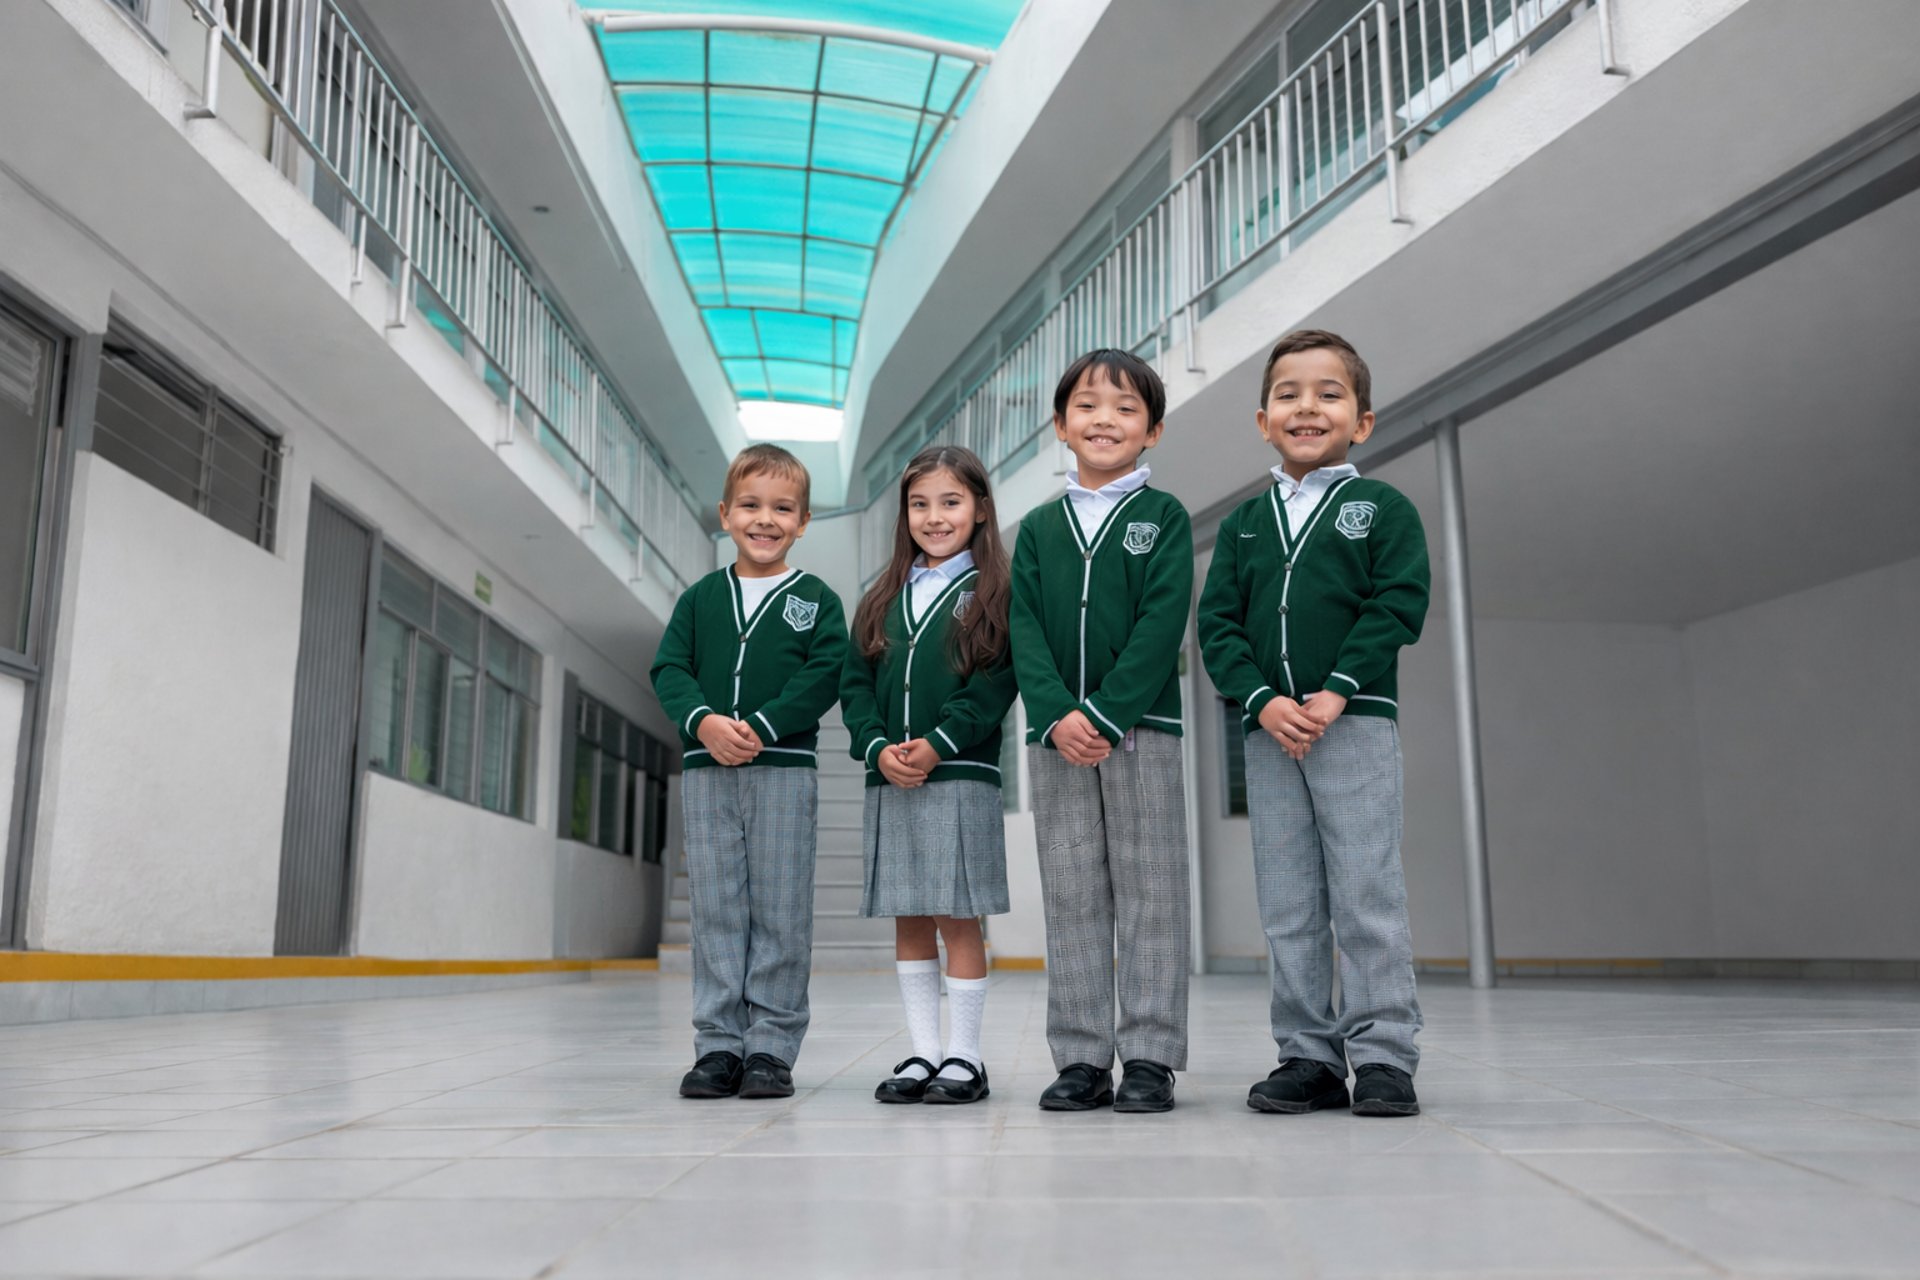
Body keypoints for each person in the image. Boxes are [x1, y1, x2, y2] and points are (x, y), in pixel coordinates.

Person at [1197, 328, 1431, 1118]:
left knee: (1366, 891)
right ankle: (1308, 1055)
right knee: (1289, 902)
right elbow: (1218, 627)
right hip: (1269, 736)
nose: (1307, 407)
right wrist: (1262, 701)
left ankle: (1384, 1055)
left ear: (1361, 421)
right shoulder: (1243, 524)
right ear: (1264, 420)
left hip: (1353, 724)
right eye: (1289, 394)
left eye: (1329, 394)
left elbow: (1397, 603)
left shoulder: (1382, 509)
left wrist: (1334, 691)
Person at [1010, 348, 1193, 1114]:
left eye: (1125, 408)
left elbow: (1162, 623)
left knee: (1153, 890)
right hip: (1056, 740)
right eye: (1087, 406)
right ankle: (1081, 1058)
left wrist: (1106, 713)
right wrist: (1057, 714)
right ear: (1061, 425)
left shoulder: (1164, 517)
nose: (1104, 419)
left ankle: (1150, 1055)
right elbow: (1023, 628)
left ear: (1152, 430)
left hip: (1142, 729)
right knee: (1071, 892)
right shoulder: (1037, 528)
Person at [650, 444, 847, 1100]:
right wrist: (703, 721)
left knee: (781, 909)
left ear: (804, 522)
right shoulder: (700, 599)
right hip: (707, 770)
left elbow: (825, 673)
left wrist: (762, 725)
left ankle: (770, 1046)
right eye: (751, 506)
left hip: (783, 771)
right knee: (717, 909)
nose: (766, 519)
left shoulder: (816, 599)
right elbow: (669, 669)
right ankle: (717, 1046)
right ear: (725, 515)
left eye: (783, 509)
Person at [842, 445, 1017, 1106]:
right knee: (909, 916)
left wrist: (939, 743)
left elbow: (996, 684)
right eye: (920, 504)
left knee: (957, 916)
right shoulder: (880, 599)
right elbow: (855, 687)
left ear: (980, 510)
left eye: (950, 502)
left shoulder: (994, 594)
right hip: (890, 779)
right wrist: (875, 747)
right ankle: (923, 1052)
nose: (934, 517)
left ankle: (965, 1057)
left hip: (959, 776)